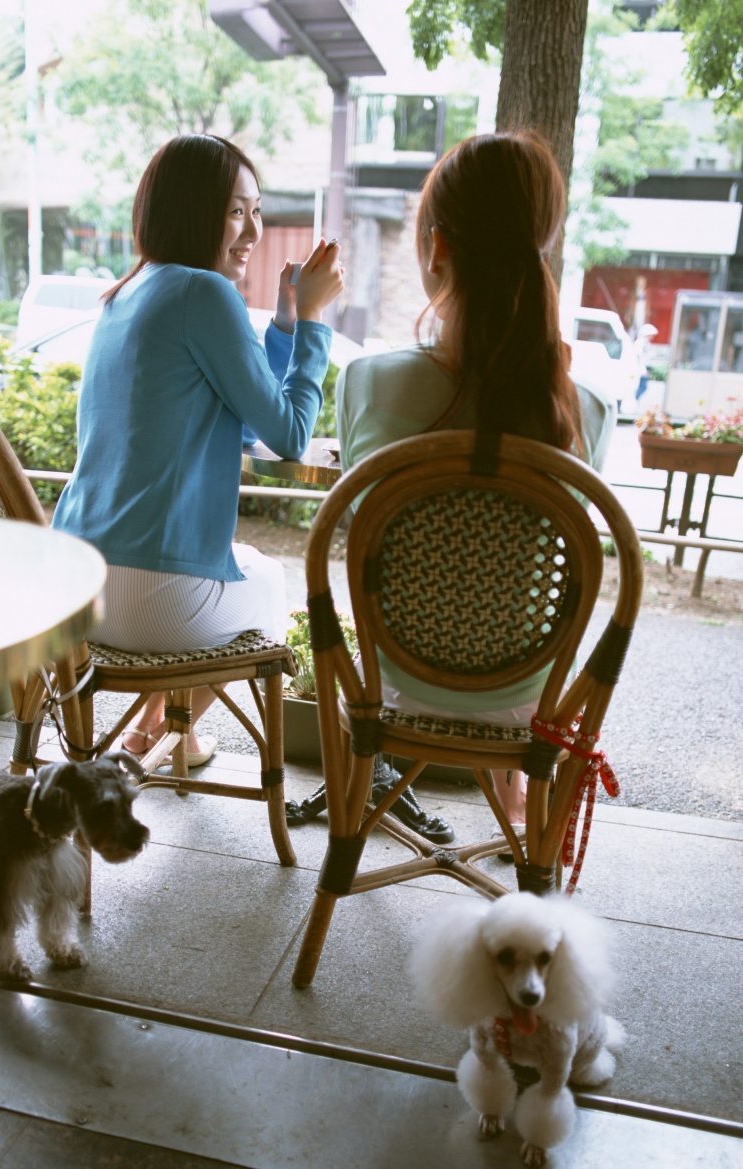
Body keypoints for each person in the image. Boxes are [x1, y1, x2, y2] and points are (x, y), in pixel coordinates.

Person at [335, 131, 616, 846]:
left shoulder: (369, 382)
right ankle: (515, 794)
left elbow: (359, 525)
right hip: (526, 696)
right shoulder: (583, 409)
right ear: (542, 243)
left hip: (394, 683)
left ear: (435, 248)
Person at [52, 134, 343, 764]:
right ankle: (156, 744)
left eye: (256, 211)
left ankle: (154, 736)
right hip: (148, 599)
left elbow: (238, 417)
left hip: (76, 585)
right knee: (270, 586)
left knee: (242, 563)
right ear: (190, 211)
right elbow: (288, 434)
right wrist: (316, 323)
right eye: (236, 211)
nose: (253, 231)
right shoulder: (204, 293)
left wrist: (286, 325)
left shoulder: (125, 296)